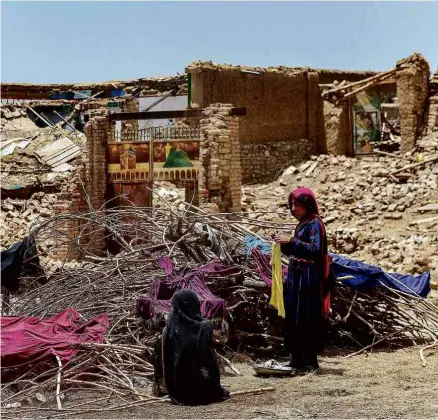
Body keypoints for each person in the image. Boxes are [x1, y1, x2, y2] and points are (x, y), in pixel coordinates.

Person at [274, 187, 330, 374]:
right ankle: (296, 358)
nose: (293, 209)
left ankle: (309, 360)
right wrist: (283, 246)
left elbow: (314, 249)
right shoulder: (301, 225)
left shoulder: (315, 224)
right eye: (292, 205)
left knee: (307, 317)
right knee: (294, 318)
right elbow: (297, 251)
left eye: (297, 205)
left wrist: (291, 241)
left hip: (308, 279)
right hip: (296, 279)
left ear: (307, 205)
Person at [157, 290, 229, 405]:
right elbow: (206, 358)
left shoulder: (169, 330)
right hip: (203, 390)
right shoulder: (204, 327)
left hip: (178, 391)